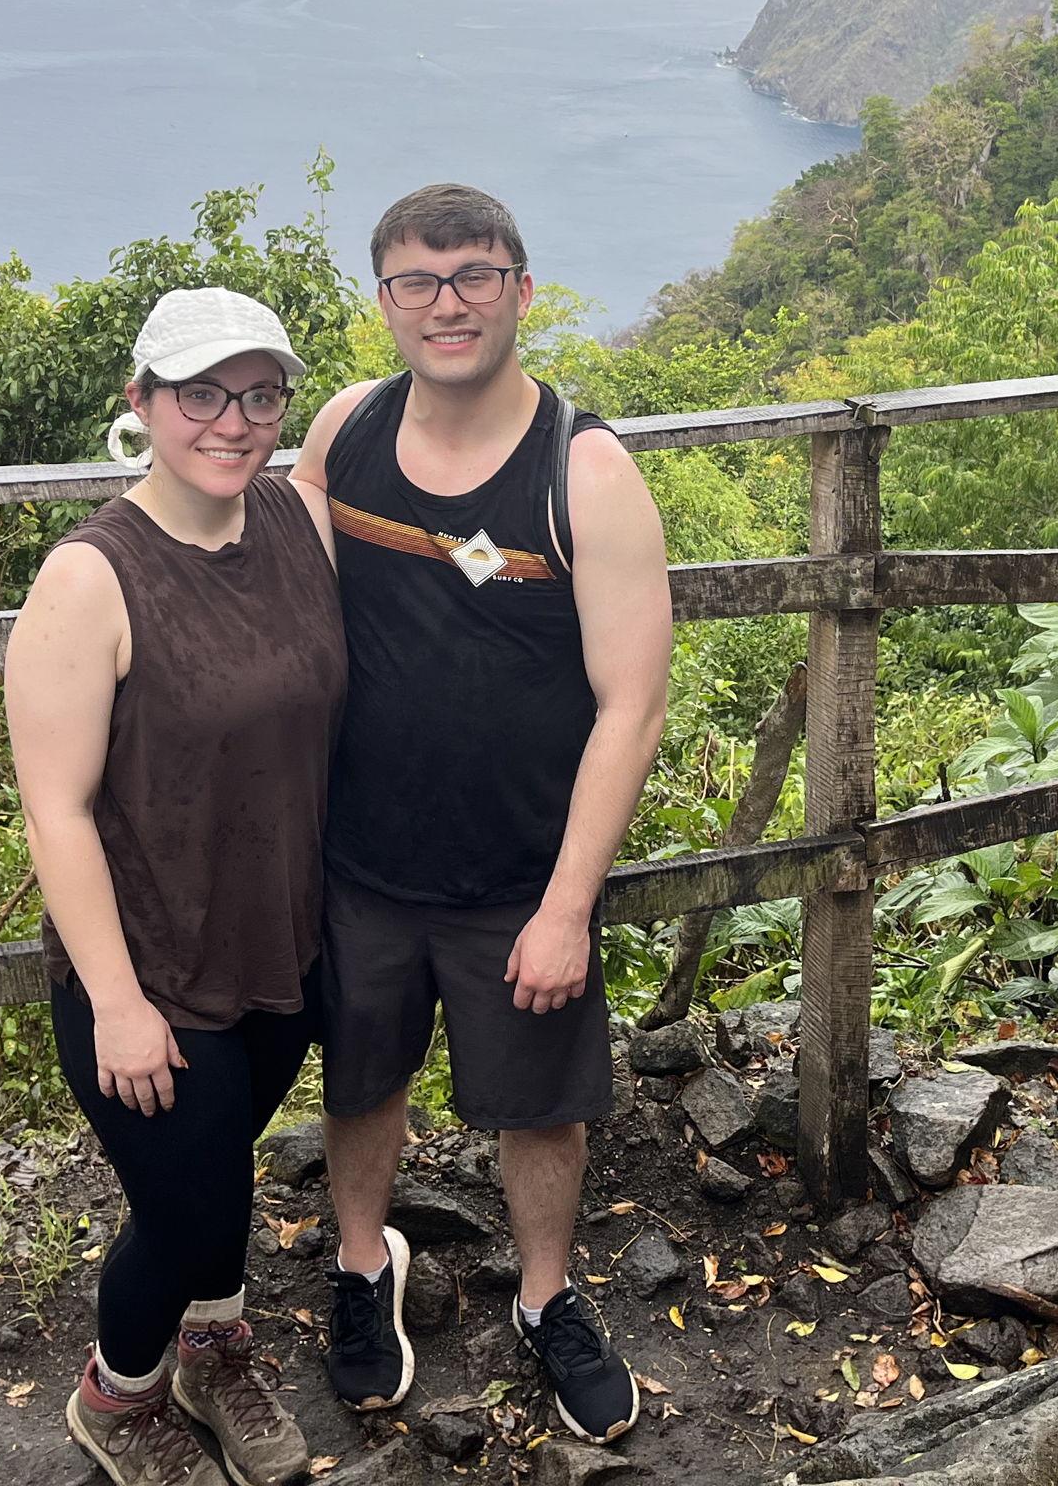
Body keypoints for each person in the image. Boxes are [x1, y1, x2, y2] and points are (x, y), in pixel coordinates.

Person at [292, 184, 672, 1444]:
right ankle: (363, 1267)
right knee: (361, 1077)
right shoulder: (343, 432)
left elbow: (630, 704)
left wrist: (568, 905)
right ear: (384, 299)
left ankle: (548, 1298)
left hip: (520, 866)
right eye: (416, 279)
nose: (443, 301)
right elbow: (288, 618)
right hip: (361, 856)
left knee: (540, 1102)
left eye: (470, 273)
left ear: (518, 284)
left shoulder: (584, 468)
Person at [6, 287, 344, 1486]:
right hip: (148, 971)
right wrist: (117, 999)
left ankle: (213, 1349)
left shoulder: (298, 522)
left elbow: (398, 424)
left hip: (281, 952)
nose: (234, 419)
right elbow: (55, 807)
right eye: (201, 392)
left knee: (219, 1181)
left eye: (260, 393)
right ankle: (120, 1394)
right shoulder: (91, 576)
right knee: (193, 1210)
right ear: (140, 404)